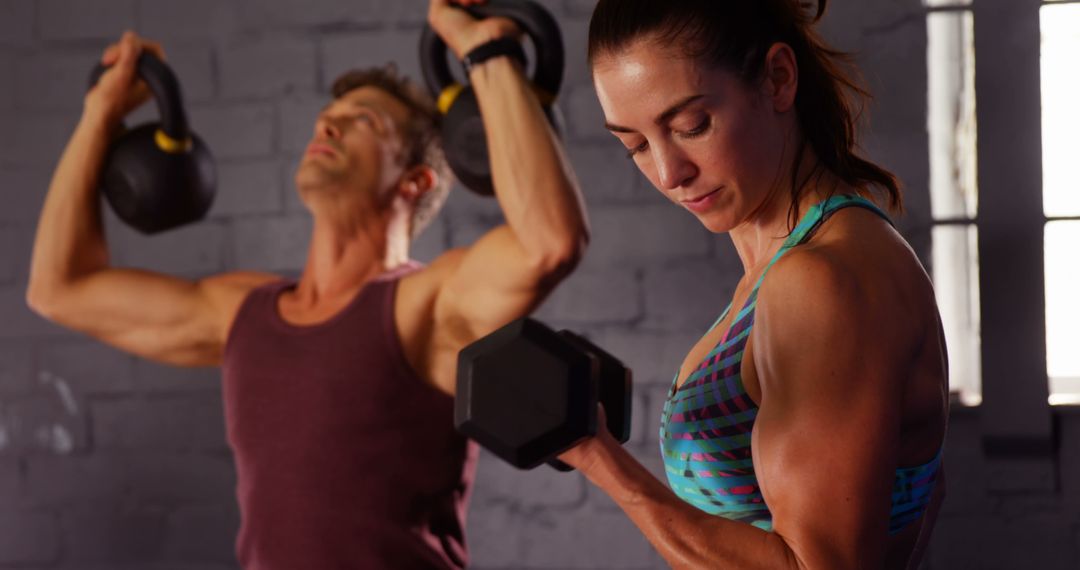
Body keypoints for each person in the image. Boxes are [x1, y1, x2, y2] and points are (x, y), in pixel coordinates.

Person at [25, 0, 588, 567]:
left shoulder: (427, 305)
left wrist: (485, 52)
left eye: (363, 120)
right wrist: (99, 116)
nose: (328, 123)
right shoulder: (241, 312)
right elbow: (60, 287)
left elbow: (549, 243)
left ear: (415, 181)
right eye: (330, 114)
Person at [555, 1, 948, 568]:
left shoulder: (817, 280)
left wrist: (604, 464)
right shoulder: (807, 265)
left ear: (778, 80)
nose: (668, 174)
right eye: (635, 146)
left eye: (691, 126)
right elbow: (927, 494)